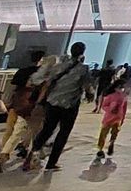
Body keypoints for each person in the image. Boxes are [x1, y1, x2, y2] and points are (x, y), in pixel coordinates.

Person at [24, 42, 91, 172]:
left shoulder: (58, 66)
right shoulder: (83, 69)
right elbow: (86, 85)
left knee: (47, 129)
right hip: (70, 105)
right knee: (63, 133)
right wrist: (89, 94)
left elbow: (48, 81)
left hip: (53, 102)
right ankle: (51, 163)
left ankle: (33, 153)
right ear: (83, 53)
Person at [95, 76, 128, 159]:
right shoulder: (111, 96)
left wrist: (123, 118)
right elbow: (104, 105)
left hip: (116, 118)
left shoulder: (124, 97)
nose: (122, 89)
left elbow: (124, 108)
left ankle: (109, 144)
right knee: (105, 133)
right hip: (110, 118)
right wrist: (110, 110)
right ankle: (101, 148)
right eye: (121, 87)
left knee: (112, 133)